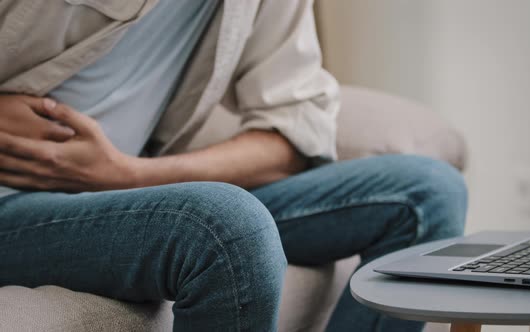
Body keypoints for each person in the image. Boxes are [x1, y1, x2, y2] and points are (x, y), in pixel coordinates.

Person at [0, 0, 467, 331]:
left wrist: (126, 174)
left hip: (130, 188)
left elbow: (293, 131)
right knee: (226, 228)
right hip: (14, 205)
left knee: (427, 191)